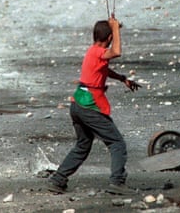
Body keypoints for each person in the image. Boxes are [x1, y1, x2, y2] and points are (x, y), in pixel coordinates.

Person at [47, 17, 141, 195]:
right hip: (89, 105)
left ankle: (58, 179)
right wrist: (116, 29)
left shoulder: (93, 52)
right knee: (116, 142)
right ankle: (117, 181)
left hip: (78, 104)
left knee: (83, 144)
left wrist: (122, 79)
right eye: (112, 36)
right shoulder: (99, 52)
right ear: (108, 38)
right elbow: (117, 51)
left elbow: (104, 69)